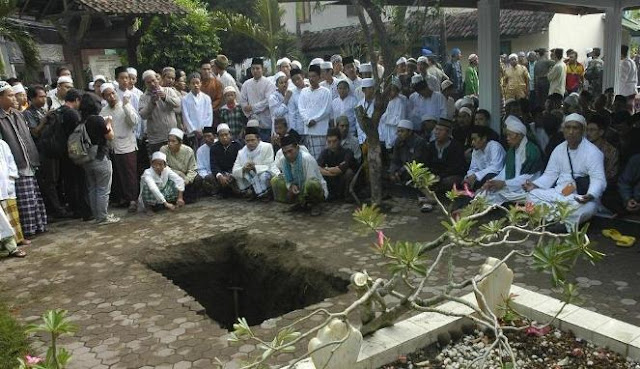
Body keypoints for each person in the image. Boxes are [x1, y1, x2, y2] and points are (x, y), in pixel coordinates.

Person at [524, 113, 606, 230]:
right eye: (568, 128)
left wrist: (591, 194)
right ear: (563, 130)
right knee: (531, 195)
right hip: (560, 192)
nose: (571, 132)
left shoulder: (593, 152)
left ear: (582, 130)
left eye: (575, 128)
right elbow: (550, 174)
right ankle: (555, 219)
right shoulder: (559, 149)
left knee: (588, 208)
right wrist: (535, 184)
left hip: (580, 196)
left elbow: (598, 179)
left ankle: (559, 222)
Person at [0, 81, 47, 238]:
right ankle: (28, 231)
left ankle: (38, 226)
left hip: (29, 161)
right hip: (14, 165)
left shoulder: (17, 114)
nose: (15, 99)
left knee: (34, 198)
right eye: (10, 96)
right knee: (25, 201)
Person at [478, 115, 543, 205]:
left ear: (520, 135)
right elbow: (505, 172)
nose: (507, 138)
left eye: (510, 135)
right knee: (484, 194)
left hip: (527, 188)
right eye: (507, 135)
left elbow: (529, 177)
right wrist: (492, 182)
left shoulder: (532, 151)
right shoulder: (511, 151)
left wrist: (505, 184)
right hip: (511, 187)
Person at [100, 83, 140, 213]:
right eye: (108, 95)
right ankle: (126, 198)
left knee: (130, 174)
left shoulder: (125, 106)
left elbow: (134, 121)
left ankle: (133, 200)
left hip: (128, 145)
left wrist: (127, 105)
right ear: (104, 97)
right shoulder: (104, 111)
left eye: (113, 93)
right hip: (114, 147)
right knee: (121, 175)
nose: (111, 97)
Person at [271, 135, 328, 216]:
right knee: (276, 181)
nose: (288, 155)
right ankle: (299, 204)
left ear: (297, 148)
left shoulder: (306, 158)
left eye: (290, 151)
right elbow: (287, 179)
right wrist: (291, 186)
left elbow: (311, 179)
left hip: (311, 188)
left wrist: (299, 192)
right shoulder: (283, 160)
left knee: (311, 184)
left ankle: (315, 204)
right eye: (285, 153)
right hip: (298, 187)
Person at [82, 111, 119, 224]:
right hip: (101, 157)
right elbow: (110, 136)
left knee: (93, 188)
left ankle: (97, 215)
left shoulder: (82, 121)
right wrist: (108, 123)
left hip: (87, 158)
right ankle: (102, 217)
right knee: (103, 189)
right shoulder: (98, 120)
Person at [139, 70, 181, 156]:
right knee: (158, 163)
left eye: (153, 80)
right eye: (149, 82)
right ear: (145, 84)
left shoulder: (168, 91)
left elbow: (178, 104)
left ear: (158, 79)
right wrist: (152, 103)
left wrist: (165, 97)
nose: (152, 84)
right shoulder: (143, 97)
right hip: (156, 139)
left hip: (172, 135)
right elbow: (143, 115)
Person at [232, 127, 278, 199]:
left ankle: (266, 193)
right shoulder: (241, 152)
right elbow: (235, 170)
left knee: (263, 176)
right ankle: (252, 192)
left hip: (265, 172)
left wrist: (255, 167)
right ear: (244, 141)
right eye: (247, 141)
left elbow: (269, 165)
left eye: (252, 140)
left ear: (259, 140)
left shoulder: (267, 147)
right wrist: (244, 168)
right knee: (240, 175)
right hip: (250, 175)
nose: (250, 143)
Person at [298, 64, 332, 159]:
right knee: (311, 159)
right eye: (309, 76)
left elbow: (326, 110)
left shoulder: (326, 92)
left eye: (314, 76)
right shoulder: (304, 91)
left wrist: (315, 120)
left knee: (322, 158)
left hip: (321, 131)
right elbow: (301, 108)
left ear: (319, 77)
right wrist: (308, 121)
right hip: (308, 131)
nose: (311, 79)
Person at [240, 58, 277, 141]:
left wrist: (253, 107)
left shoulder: (269, 84)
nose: (255, 71)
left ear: (262, 69)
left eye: (257, 68)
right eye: (253, 68)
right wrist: (248, 110)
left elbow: (268, 101)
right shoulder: (246, 84)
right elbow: (242, 101)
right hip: (252, 120)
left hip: (265, 121)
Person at [160, 128, 200, 203]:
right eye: (169, 141)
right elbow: (163, 167)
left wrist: (186, 180)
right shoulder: (164, 150)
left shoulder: (188, 151)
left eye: (173, 141)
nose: (170, 143)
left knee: (197, 178)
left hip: (185, 177)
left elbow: (193, 169)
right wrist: (178, 173)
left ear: (180, 142)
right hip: (171, 177)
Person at [0, 137, 27, 248]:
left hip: (7, 184)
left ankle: (19, 239)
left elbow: (11, 160)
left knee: (13, 216)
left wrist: (11, 176)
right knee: (3, 220)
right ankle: (10, 245)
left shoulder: (2, 144)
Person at [317, 128, 356, 201]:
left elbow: (340, 169)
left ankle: (347, 196)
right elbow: (317, 168)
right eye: (329, 142)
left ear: (340, 140)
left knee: (349, 172)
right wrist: (330, 172)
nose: (332, 144)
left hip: (343, 182)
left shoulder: (347, 152)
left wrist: (327, 169)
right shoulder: (325, 153)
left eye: (334, 141)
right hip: (331, 182)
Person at [464, 125, 506, 190]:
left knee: (490, 176)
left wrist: (476, 176)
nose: (472, 143)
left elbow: (496, 168)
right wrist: (469, 177)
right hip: (481, 178)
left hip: (499, 178)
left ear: (484, 138)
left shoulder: (495, 146)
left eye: (474, 139)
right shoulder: (476, 150)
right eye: (472, 140)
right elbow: (473, 168)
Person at [181, 72, 213, 151]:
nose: (196, 85)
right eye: (193, 83)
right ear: (189, 85)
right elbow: (186, 116)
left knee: (205, 150)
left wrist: (204, 129)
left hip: (204, 131)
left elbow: (209, 115)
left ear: (201, 83)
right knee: (194, 151)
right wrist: (194, 130)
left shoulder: (206, 98)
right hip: (192, 132)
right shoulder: (185, 99)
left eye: (197, 83)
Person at [211, 123, 243, 197]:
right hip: (221, 173)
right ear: (218, 137)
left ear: (230, 135)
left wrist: (231, 174)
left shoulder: (237, 145)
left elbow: (240, 163)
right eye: (221, 135)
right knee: (209, 178)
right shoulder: (214, 148)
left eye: (226, 134)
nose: (224, 137)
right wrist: (219, 176)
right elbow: (213, 165)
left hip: (234, 172)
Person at [378, 79, 407, 151]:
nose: (390, 92)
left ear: (397, 91)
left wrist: (387, 120)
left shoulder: (400, 102)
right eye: (389, 90)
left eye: (393, 90)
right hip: (387, 132)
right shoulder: (390, 102)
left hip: (395, 132)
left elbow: (400, 119)